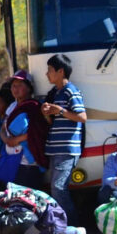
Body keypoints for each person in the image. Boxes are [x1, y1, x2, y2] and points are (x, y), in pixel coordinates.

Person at [40, 54, 87, 224]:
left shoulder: (70, 91)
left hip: (67, 149)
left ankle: (71, 223)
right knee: (56, 188)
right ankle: (63, 223)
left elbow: (82, 117)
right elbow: (53, 122)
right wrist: (46, 112)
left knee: (59, 187)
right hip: (55, 149)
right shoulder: (55, 93)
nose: (47, 74)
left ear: (60, 72)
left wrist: (59, 110)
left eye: (50, 70)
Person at [0, 70, 49, 190]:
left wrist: (16, 140)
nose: (15, 89)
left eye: (20, 85)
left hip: (28, 162)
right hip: (12, 161)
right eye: (13, 86)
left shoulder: (35, 106)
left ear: (29, 88)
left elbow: (37, 131)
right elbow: (2, 129)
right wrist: (6, 139)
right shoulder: (11, 107)